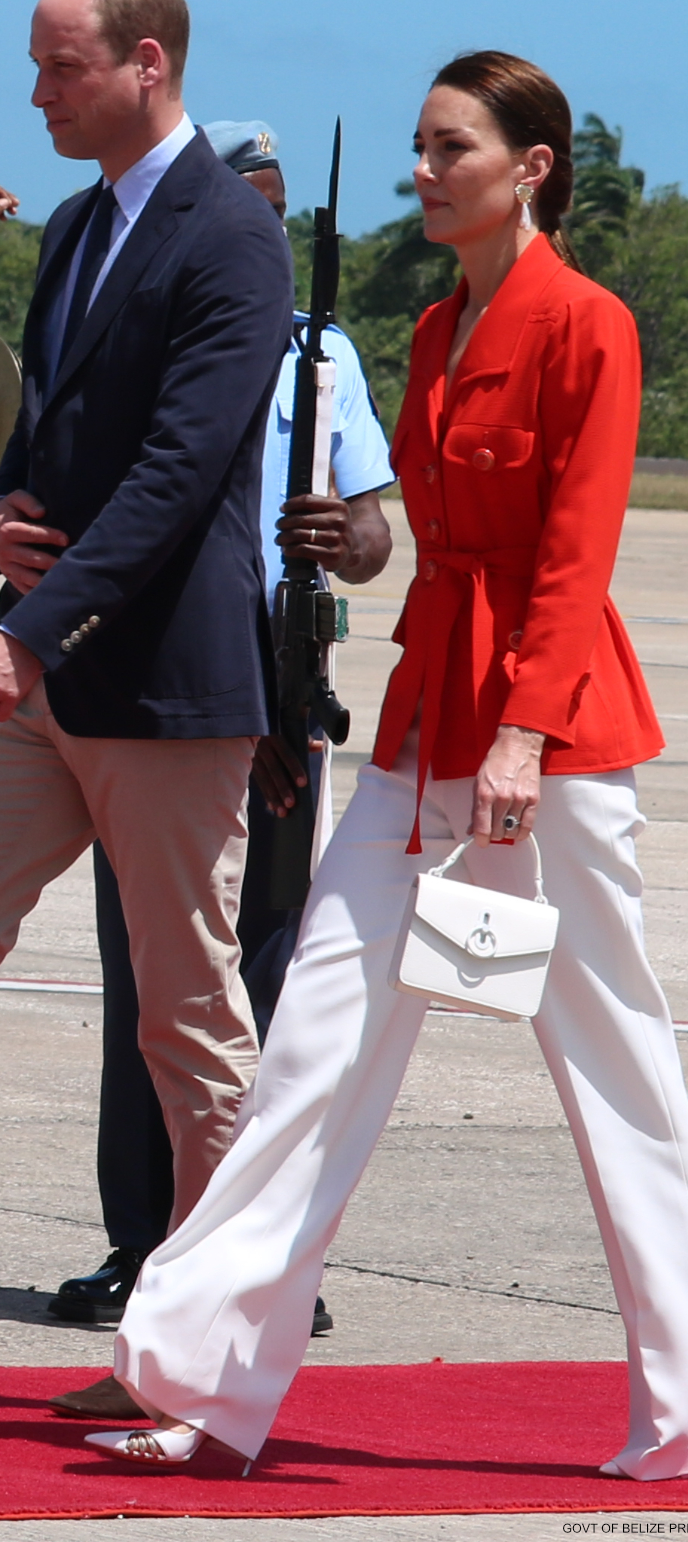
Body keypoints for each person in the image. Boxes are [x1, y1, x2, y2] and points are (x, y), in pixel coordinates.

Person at [87, 51, 688, 1483]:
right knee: (315, 1048)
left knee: (615, 1069)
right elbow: (423, 551)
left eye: (452, 148)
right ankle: (206, 1378)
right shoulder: (433, 334)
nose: (425, 170)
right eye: (422, 148)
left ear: (532, 167)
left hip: (548, 750)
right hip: (416, 736)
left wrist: (521, 732)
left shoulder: (591, 326)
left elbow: (574, 558)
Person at [47, 121, 392, 1401]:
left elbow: (369, 530)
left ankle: (259, 1263)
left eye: (270, 215)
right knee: (150, 972)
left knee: (254, 976)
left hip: (271, 681)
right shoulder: (136, 324)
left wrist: (339, 533)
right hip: (151, 688)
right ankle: (146, 1245)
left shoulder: (323, 357)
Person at [0, 0, 292, 1266]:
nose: (38, 91)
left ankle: (221, 1318)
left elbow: (180, 472)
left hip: (164, 692)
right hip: (49, 682)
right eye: (36, 62)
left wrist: (23, 629)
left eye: (61, 65)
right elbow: (47, 440)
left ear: (146, 65)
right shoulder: (71, 227)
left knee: (184, 1013)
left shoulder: (233, 234)